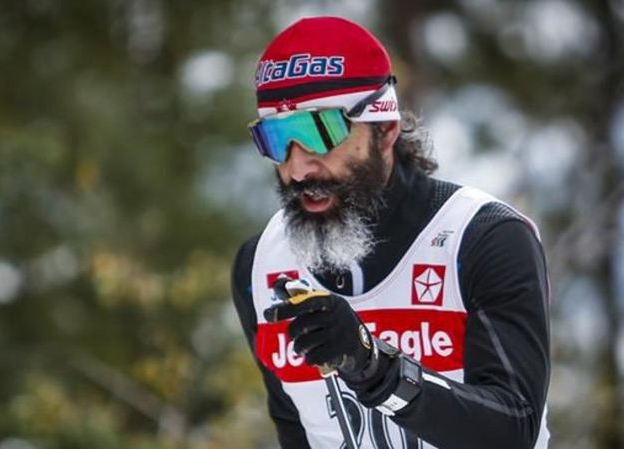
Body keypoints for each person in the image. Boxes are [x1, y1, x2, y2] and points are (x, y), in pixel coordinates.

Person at [230, 16, 551, 449]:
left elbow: (513, 431)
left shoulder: (483, 238)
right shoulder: (260, 266)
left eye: (319, 133)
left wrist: (372, 365)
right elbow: (296, 431)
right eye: (276, 138)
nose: (299, 168)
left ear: (385, 131)